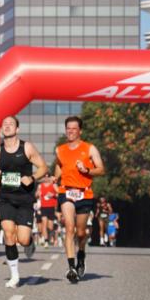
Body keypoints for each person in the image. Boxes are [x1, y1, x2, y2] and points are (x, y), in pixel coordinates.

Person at [0, 115, 49, 288]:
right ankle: (14, 276)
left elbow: (43, 167)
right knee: (8, 233)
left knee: (22, 239)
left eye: (11, 124)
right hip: (5, 198)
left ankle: (29, 243)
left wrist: (32, 177)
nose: (7, 126)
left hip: (24, 199)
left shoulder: (27, 147)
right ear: (1, 129)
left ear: (17, 129)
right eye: (4, 124)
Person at [53, 116, 105, 283]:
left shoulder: (89, 149)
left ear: (80, 131)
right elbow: (59, 170)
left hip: (85, 193)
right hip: (66, 192)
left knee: (81, 233)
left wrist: (87, 170)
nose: (70, 131)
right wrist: (54, 179)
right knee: (69, 228)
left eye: (74, 128)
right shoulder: (60, 150)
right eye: (68, 128)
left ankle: (81, 254)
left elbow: (101, 169)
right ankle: (71, 267)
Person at [37, 176, 58, 247]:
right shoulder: (40, 186)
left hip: (52, 207)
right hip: (43, 207)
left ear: (49, 177)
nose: (45, 178)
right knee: (44, 224)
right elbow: (36, 195)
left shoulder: (53, 185)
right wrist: (38, 194)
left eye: (47, 177)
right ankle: (46, 240)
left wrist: (53, 194)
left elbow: (59, 193)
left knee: (50, 227)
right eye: (44, 177)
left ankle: (49, 237)